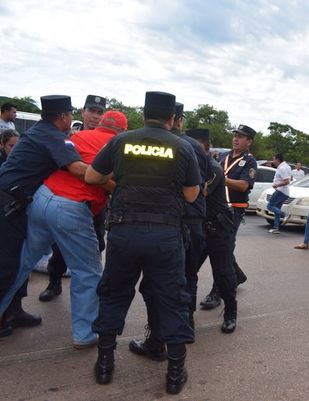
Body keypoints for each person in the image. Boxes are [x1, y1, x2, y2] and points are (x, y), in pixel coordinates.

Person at [85, 91, 199, 394]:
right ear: (172, 118)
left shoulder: (121, 141)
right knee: (172, 299)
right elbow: (191, 195)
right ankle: (175, 373)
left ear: (144, 113)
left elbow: (92, 176)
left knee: (113, 294)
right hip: (165, 236)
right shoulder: (183, 147)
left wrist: (121, 184)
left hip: (124, 232)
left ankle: (105, 365)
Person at [2, 111, 127, 348]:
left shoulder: (78, 137)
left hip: (41, 198)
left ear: (102, 124)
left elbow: (69, 164)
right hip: (71, 208)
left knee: (21, 263)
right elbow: (100, 179)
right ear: (122, 130)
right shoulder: (118, 145)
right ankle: (85, 333)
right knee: (88, 272)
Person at [128, 103, 210, 360]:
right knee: (185, 279)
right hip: (191, 222)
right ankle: (186, 329)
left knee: (156, 286)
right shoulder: (191, 146)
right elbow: (202, 184)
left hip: (173, 224)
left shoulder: (160, 144)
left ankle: (157, 342)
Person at [0, 95, 86, 338]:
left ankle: (12, 311)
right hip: (8, 205)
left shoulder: (39, 130)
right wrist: (114, 180)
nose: (71, 119)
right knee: (7, 265)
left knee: (17, 261)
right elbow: (78, 169)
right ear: (63, 117)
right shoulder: (53, 136)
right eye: (70, 114)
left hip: (12, 202)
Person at [39, 94, 109, 302]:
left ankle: (92, 288)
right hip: (70, 201)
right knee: (59, 246)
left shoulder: (109, 140)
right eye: (92, 111)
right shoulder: (67, 135)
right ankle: (54, 282)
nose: (95, 116)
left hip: (95, 202)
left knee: (97, 244)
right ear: (82, 112)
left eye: (99, 113)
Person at [184, 128, 239, 333]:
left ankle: (230, 312)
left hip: (218, 227)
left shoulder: (213, 167)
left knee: (223, 273)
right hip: (197, 228)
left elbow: (199, 193)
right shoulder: (190, 165)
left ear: (204, 147)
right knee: (188, 272)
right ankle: (187, 317)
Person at [199, 125, 256, 310]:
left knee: (222, 249)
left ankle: (217, 292)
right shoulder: (222, 157)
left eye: (241, 137)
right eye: (236, 136)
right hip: (215, 209)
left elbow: (243, 186)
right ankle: (237, 275)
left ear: (249, 142)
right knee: (222, 247)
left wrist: (221, 178)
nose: (236, 139)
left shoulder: (249, 162)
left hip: (233, 211)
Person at [267, 153, 292, 234]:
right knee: (276, 209)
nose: (273, 161)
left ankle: (285, 215)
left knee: (270, 206)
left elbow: (287, 181)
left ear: (278, 159)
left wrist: (276, 185)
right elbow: (290, 178)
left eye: (273, 159)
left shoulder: (282, 168)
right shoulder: (287, 166)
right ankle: (276, 228)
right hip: (284, 191)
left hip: (281, 191)